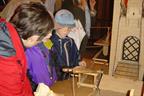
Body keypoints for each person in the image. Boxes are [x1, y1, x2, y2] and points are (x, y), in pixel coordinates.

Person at [0, 2, 54, 96]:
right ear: (32, 37)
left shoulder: (11, 39)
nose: (50, 35)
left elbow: (23, 81)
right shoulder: (8, 61)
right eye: (45, 33)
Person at [50, 9, 80, 80]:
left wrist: (79, 63)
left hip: (70, 76)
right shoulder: (49, 42)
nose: (68, 31)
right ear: (56, 27)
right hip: (56, 78)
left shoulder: (70, 41)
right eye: (66, 29)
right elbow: (53, 62)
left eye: (70, 29)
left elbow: (76, 55)